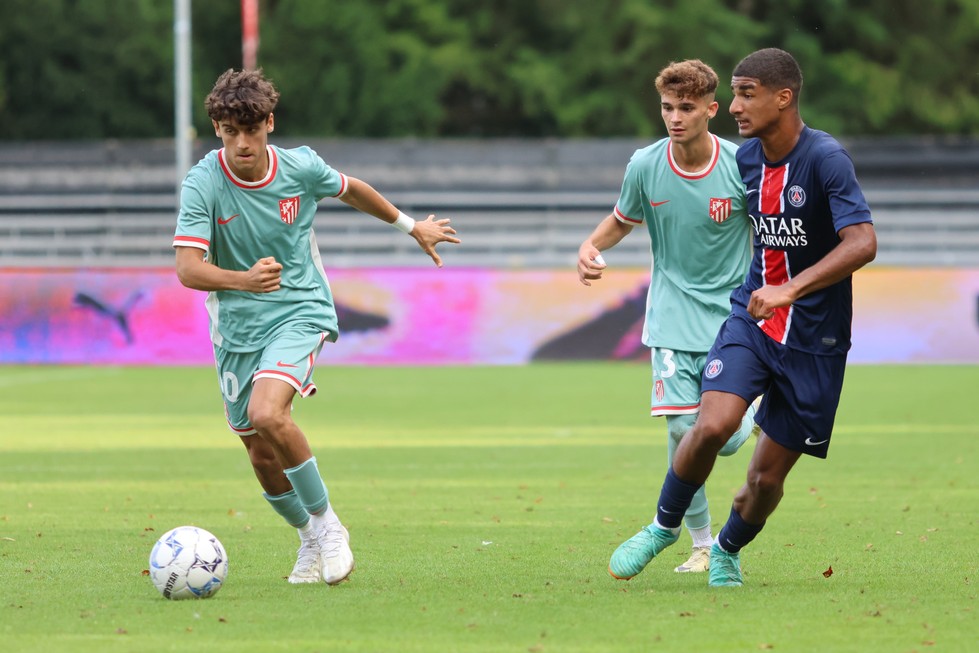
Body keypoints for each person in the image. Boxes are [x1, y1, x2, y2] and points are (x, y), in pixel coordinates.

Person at [172, 68, 460, 586]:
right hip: (236, 327)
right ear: (216, 128)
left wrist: (411, 226)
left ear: (269, 124)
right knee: (260, 452)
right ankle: (307, 539)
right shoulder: (203, 182)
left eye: (252, 130)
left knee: (268, 413)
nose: (243, 143)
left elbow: (352, 190)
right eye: (231, 131)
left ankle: (330, 528)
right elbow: (188, 269)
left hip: (300, 309)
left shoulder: (300, 167)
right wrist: (243, 280)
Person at [613, 48, 877, 587]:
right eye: (734, 93)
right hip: (750, 322)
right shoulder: (746, 161)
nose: (734, 106)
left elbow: (864, 242)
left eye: (746, 93)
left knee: (764, 482)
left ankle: (729, 547)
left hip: (814, 340)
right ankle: (665, 527)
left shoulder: (826, 159)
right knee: (710, 423)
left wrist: (792, 289)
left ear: (784, 97)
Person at [577, 59, 758, 577]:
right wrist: (590, 245)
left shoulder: (742, 164)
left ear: (711, 109)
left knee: (718, 440)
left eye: (685, 107)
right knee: (684, 431)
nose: (674, 117)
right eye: (666, 107)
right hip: (672, 317)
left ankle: (753, 417)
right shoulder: (645, 165)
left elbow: (770, 231)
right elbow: (620, 220)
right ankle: (700, 543)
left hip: (733, 319)